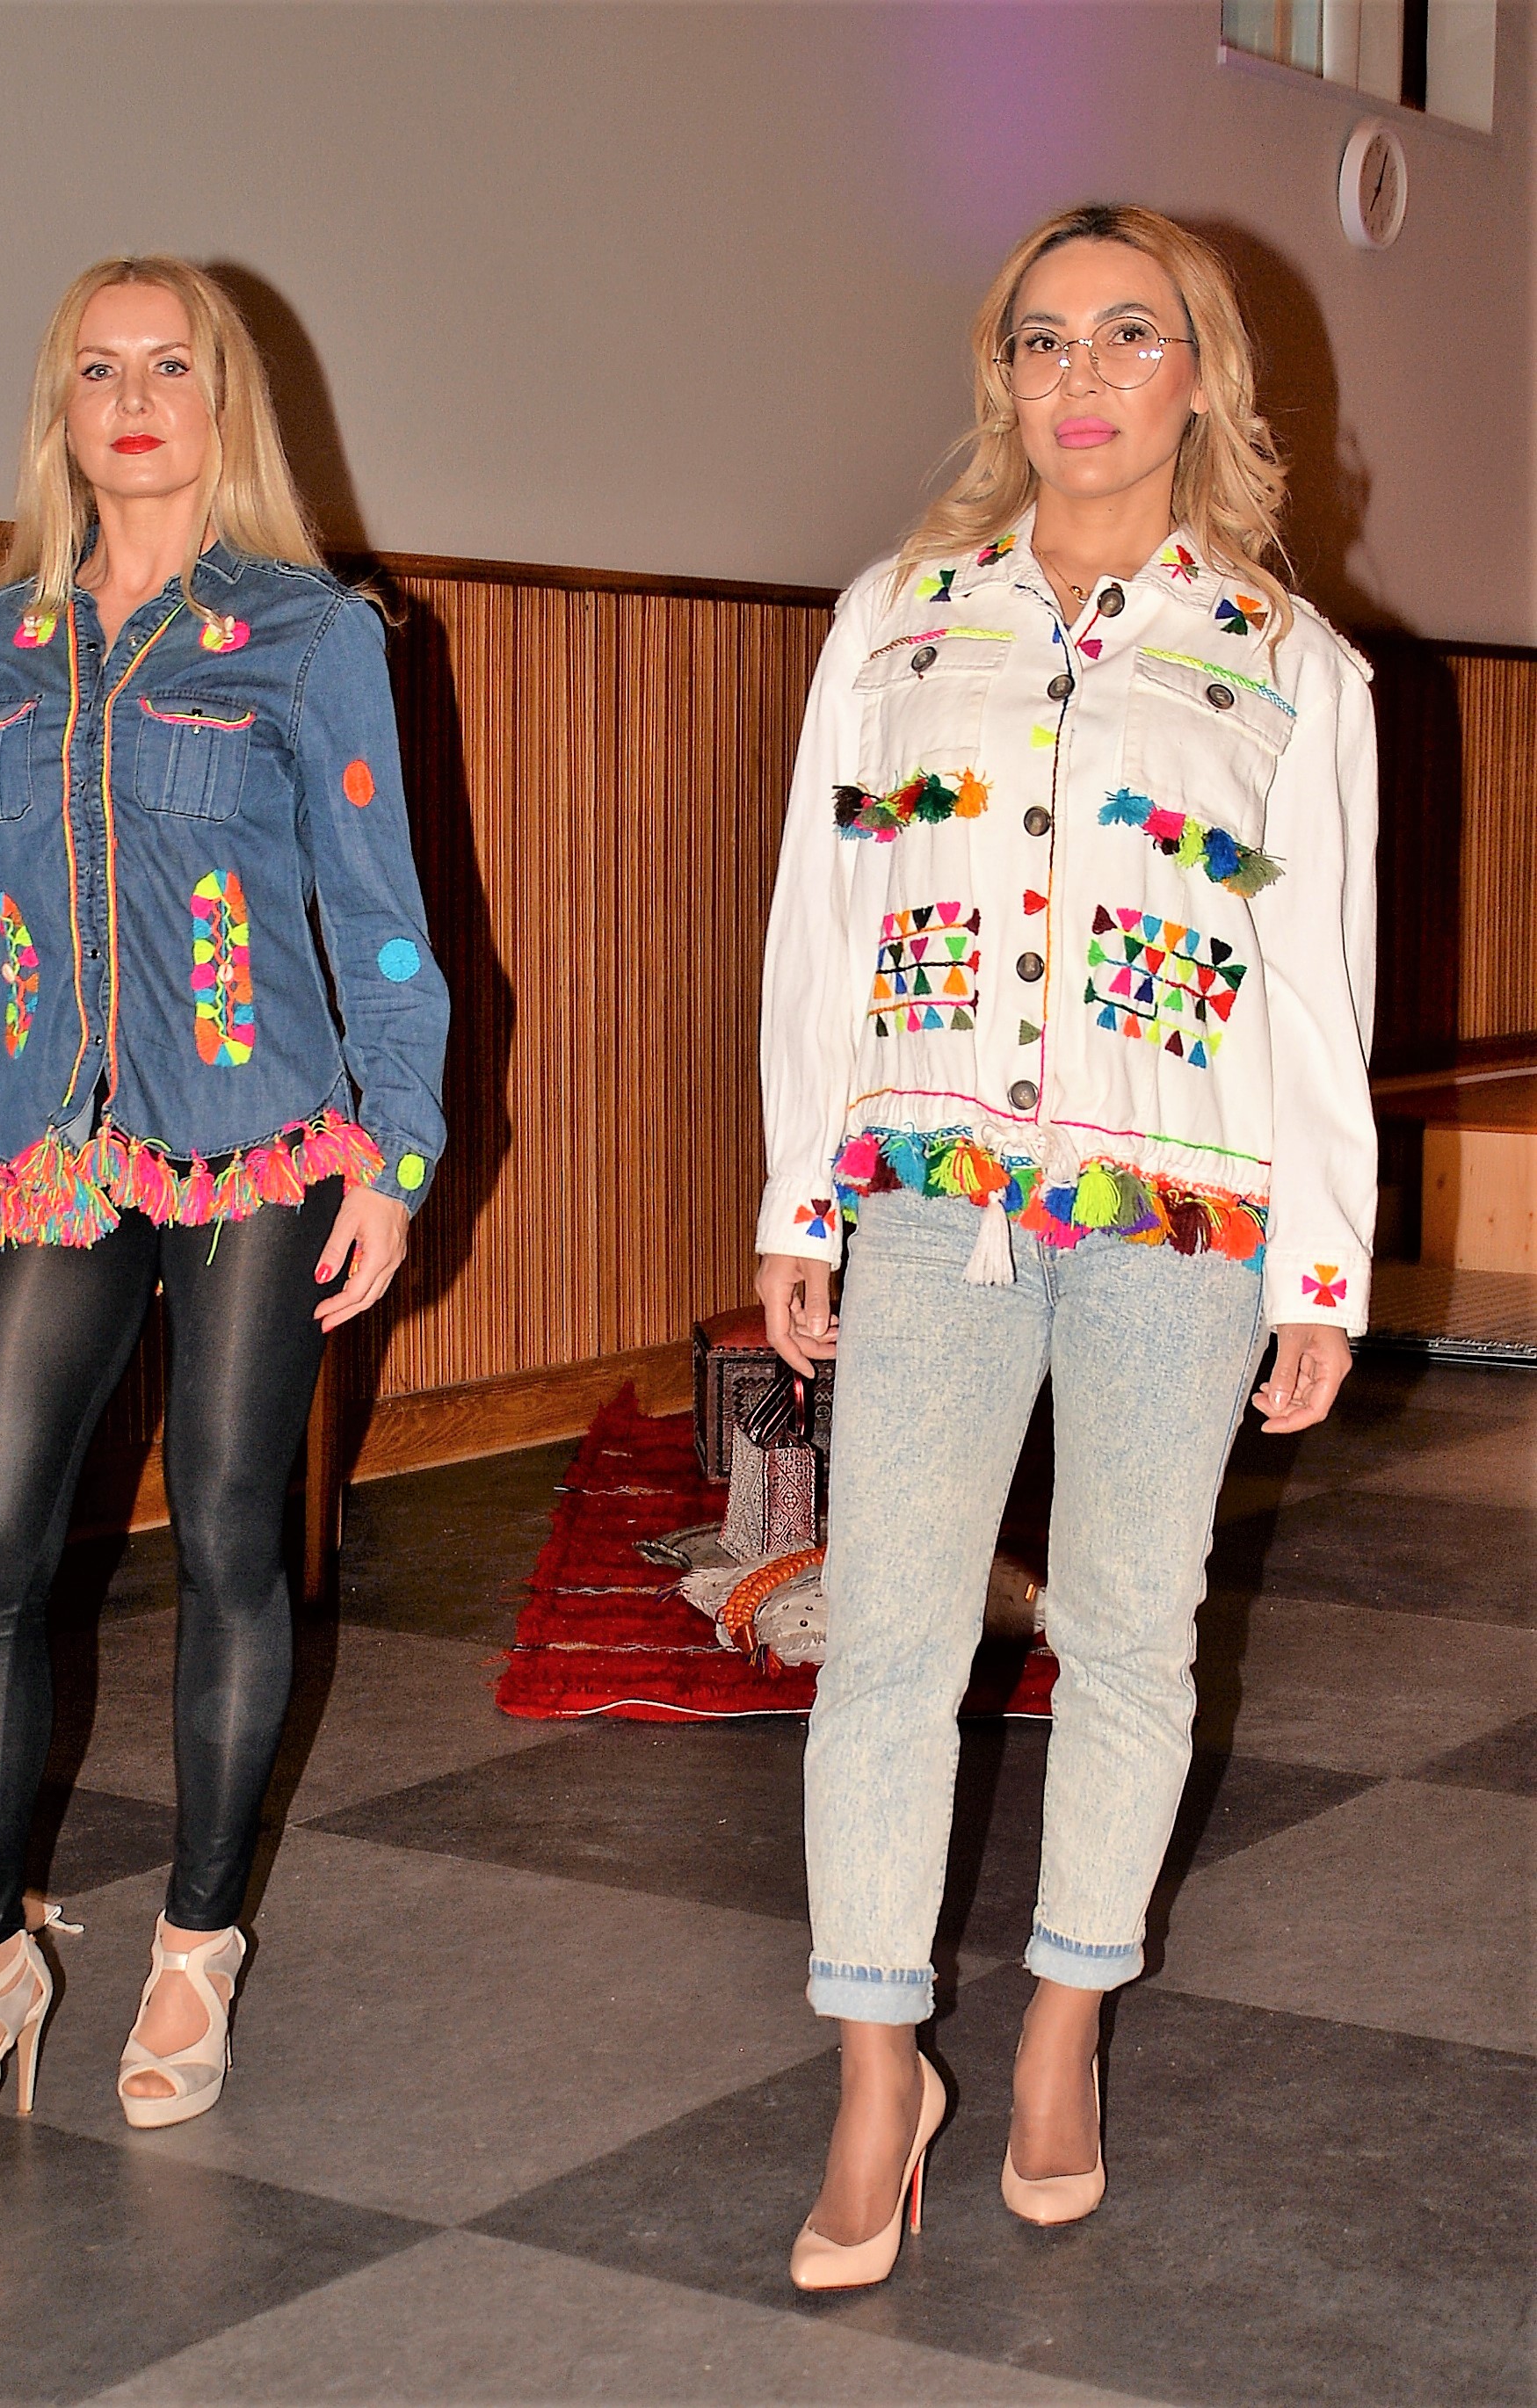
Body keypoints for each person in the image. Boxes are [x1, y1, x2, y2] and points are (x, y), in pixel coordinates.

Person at [755, 204, 1375, 2283]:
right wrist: (800, 1191)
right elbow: (822, 925)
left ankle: (1059, 2025)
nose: (1085, 374)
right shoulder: (898, 622)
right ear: (1003, 374)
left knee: (1126, 1630)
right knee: (887, 1632)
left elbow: (1316, 987)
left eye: (1131, 335)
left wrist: (1322, 1266)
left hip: (1180, 1218)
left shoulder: (1290, 662)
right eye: (1045, 338)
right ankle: (875, 2071)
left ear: (1199, 376)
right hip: (932, 1195)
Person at [0, 257, 448, 2173]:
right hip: (44, 1144)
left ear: (226, 404)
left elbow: (381, 916)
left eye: (171, 367)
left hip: (258, 1143)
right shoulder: (0, 643)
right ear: (61, 408)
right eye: (98, 370)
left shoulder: (308, 633)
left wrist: (396, 1151)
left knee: (227, 1543)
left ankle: (197, 1944)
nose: (133, 401)